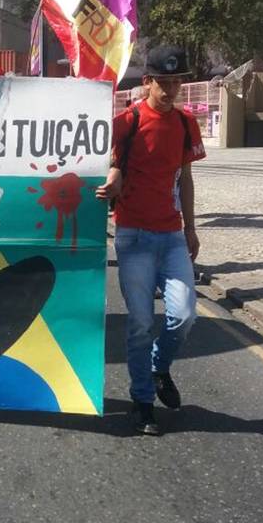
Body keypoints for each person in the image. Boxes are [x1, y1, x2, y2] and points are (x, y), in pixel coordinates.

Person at [96, 45, 207, 436]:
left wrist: (191, 228)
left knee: (184, 314)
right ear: (147, 82)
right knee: (141, 322)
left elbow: (186, 179)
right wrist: (112, 181)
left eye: (177, 81)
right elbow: (110, 165)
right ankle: (143, 400)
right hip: (133, 235)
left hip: (172, 235)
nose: (172, 88)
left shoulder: (184, 123)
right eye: (164, 81)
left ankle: (159, 368)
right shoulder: (125, 121)